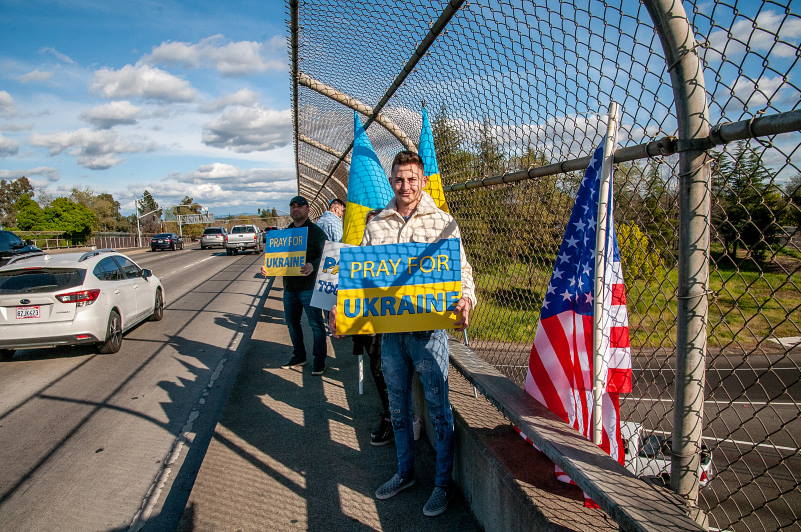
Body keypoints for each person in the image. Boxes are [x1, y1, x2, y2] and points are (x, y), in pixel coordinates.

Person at [333, 151, 476, 517]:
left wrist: (466, 301)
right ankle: (404, 472)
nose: (405, 185)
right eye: (398, 178)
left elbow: (462, 271)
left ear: (423, 180)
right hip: (391, 334)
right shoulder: (376, 222)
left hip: (429, 333)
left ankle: (442, 484)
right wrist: (342, 308)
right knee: (397, 407)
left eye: (412, 178)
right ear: (391, 180)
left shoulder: (443, 222)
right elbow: (360, 275)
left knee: (438, 409)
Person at [352, 209, 393, 447]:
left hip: (400, 324)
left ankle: (395, 417)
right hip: (370, 325)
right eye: (369, 226)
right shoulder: (357, 257)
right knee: (377, 368)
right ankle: (389, 414)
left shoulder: (395, 254)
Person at [281, 195, 329, 375]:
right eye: (292, 206)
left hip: (309, 287)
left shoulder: (316, 232)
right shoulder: (286, 233)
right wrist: (268, 269)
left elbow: (328, 255)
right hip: (290, 288)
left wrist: (313, 265)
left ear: (308, 209)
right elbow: (278, 259)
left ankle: (319, 361)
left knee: (316, 325)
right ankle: (299, 355)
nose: (296, 209)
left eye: (300, 206)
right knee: (292, 324)